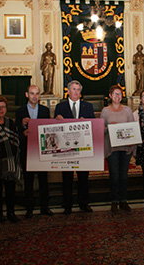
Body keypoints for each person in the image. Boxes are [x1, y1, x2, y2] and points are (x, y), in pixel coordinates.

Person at [54, 80, 95, 215]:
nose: (76, 92)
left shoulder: (88, 106)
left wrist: (87, 122)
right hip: (66, 150)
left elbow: (94, 124)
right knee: (67, 178)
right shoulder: (60, 107)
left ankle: (84, 204)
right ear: (68, 91)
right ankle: (67, 205)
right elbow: (54, 129)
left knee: (83, 178)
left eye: (78, 89)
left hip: (83, 148)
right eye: (73, 89)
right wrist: (56, 120)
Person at [16, 85, 53, 219]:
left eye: (37, 93)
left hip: (41, 150)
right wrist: (22, 129)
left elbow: (49, 129)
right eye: (32, 93)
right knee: (28, 180)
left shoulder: (45, 110)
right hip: (26, 150)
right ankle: (29, 208)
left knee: (44, 180)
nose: (34, 96)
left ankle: (45, 207)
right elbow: (15, 131)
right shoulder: (20, 111)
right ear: (27, 94)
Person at [101, 85, 136, 213]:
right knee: (114, 175)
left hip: (126, 148)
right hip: (112, 149)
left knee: (124, 176)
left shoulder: (127, 110)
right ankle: (114, 201)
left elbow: (133, 129)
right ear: (110, 96)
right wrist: (110, 127)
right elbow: (101, 130)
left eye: (120, 94)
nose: (118, 96)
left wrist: (133, 146)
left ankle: (123, 200)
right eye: (115, 94)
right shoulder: (105, 111)